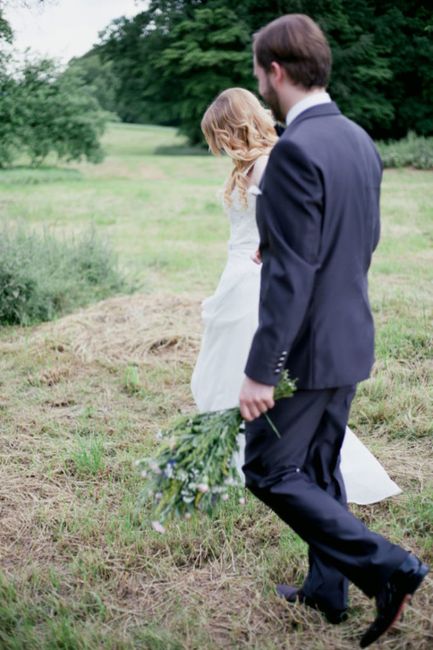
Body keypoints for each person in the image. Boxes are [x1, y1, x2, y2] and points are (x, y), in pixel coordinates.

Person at [236, 15, 428, 648]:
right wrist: (276, 239)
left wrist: (262, 369)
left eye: (260, 72)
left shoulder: (294, 148)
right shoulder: (358, 139)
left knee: (267, 469)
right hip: (352, 335)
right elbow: (357, 241)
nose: (261, 84)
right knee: (319, 465)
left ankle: (387, 567)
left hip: (310, 348)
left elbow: (291, 275)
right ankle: (327, 589)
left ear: (276, 71)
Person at [192, 86, 401, 507]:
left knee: (246, 372)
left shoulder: (269, 164)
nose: (216, 146)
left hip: (256, 282)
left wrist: (270, 246)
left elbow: (300, 221)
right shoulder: (246, 167)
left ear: (235, 128)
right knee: (224, 370)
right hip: (236, 280)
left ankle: (271, 460)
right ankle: (237, 461)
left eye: (218, 135)